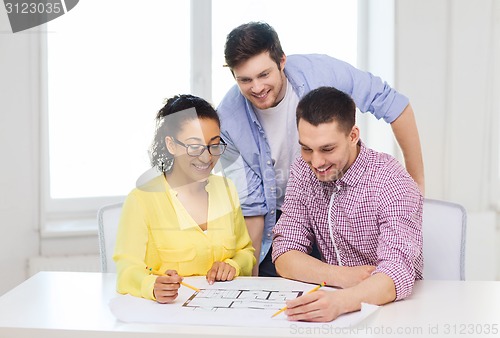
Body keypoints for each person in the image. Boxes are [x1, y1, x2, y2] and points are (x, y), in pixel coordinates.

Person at [217, 21, 424, 277]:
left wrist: (417, 183)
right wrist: (253, 278)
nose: (257, 88)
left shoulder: (323, 73)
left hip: (337, 204)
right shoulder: (226, 122)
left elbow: (395, 106)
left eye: (264, 75)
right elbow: (252, 207)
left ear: (282, 61)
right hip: (285, 219)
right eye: (245, 80)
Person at [272, 86, 423, 322]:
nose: (316, 162)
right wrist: (341, 277)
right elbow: (285, 253)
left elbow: (397, 271)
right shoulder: (303, 170)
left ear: (353, 136)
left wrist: (342, 301)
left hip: (394, 311)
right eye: (306, 148)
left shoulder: (390, 180)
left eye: (327, 149)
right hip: (333, 305)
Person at [114, 94, 255, 303]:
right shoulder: (141, 199)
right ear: (171, 145)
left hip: (221, 311)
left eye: (214, 145)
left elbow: (246, 252)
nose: (207, 157)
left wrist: (233, 265)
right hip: (168, 317)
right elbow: (126, 269)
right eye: (194, 146)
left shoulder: (226, 189)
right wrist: (152, 286)